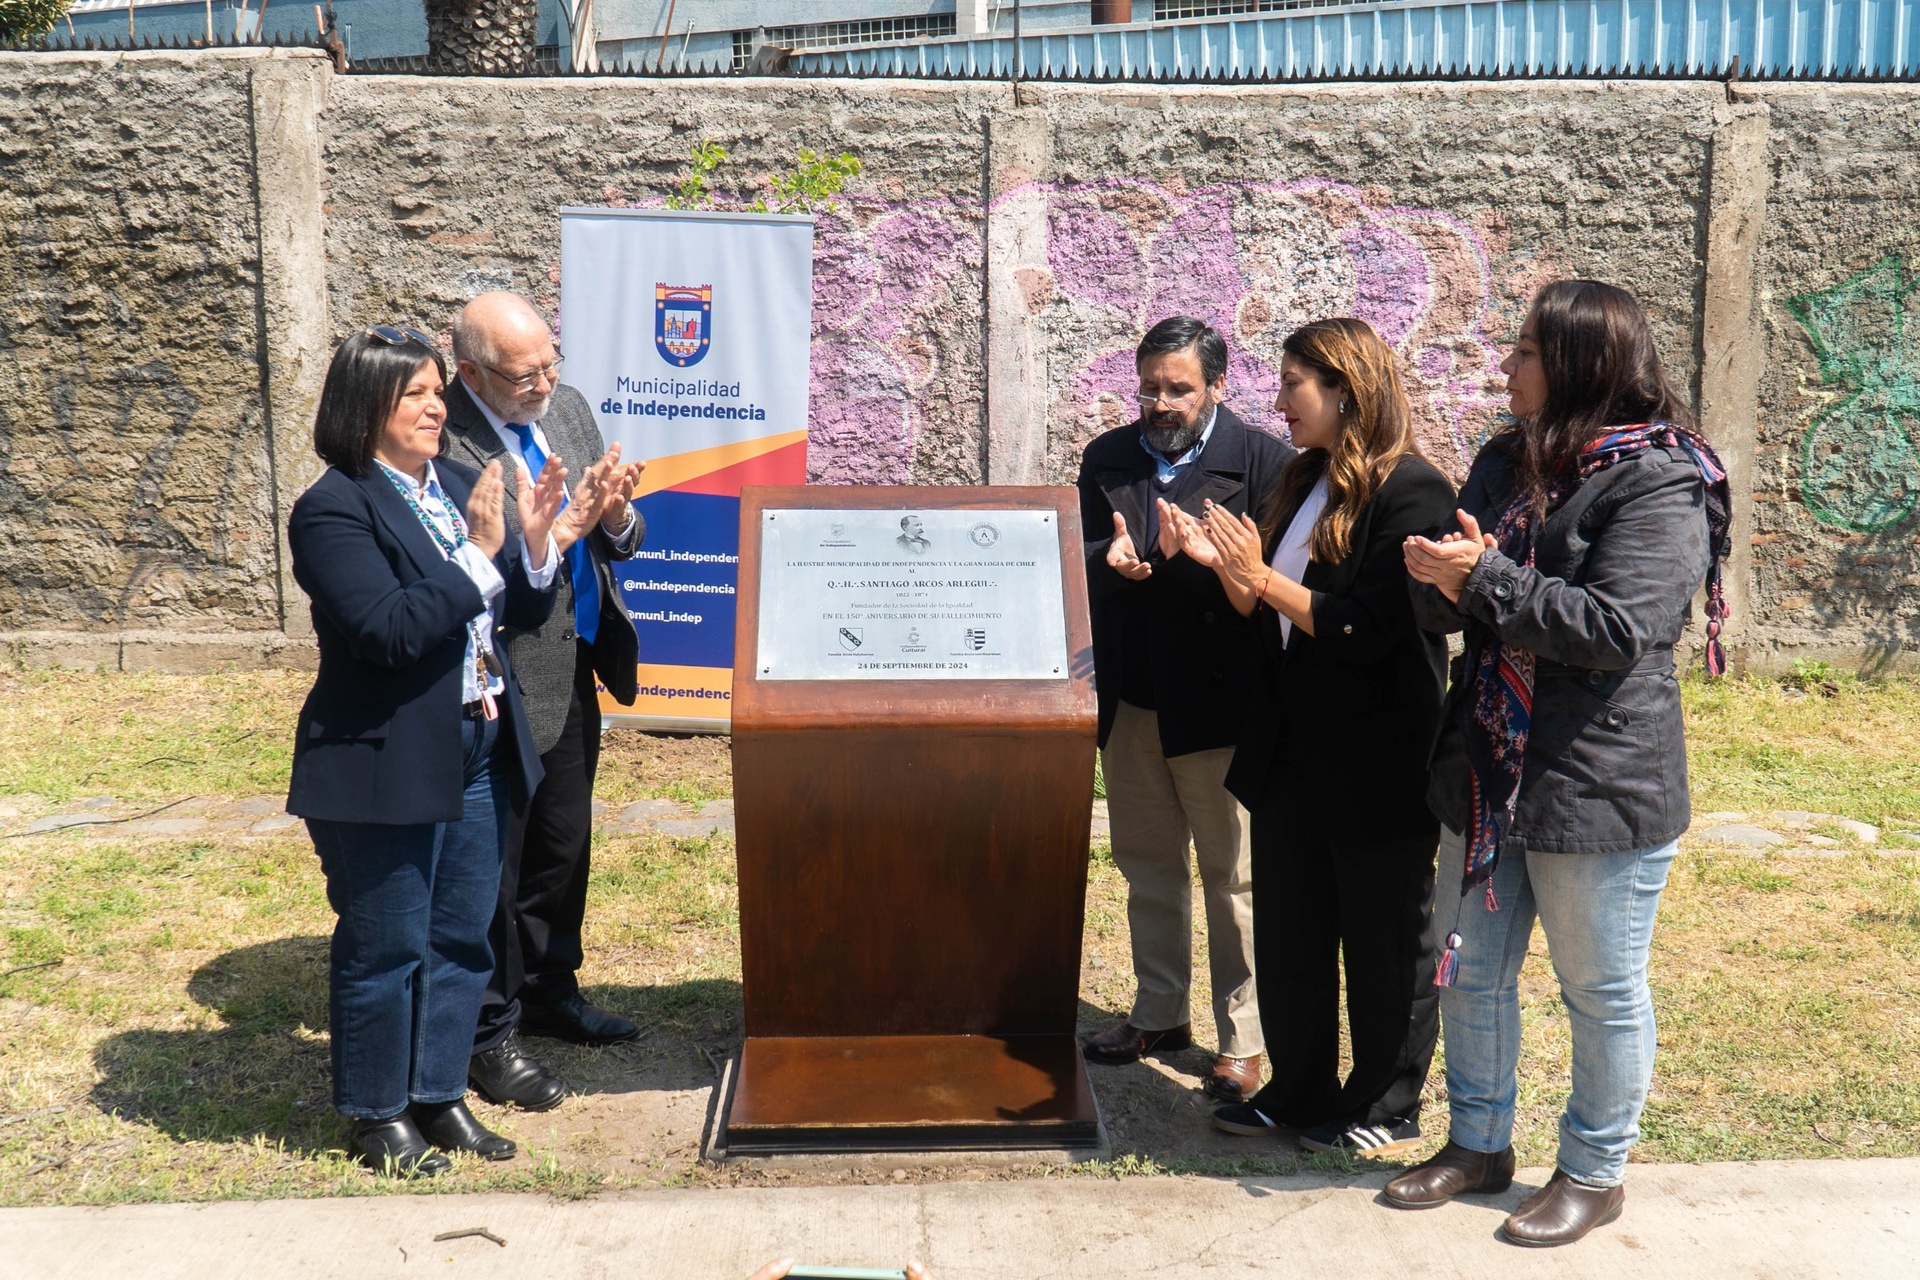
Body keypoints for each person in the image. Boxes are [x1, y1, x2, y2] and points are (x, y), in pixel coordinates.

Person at [1391, 280, 1732, 1247]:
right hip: (1489, 765)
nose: (1507, 368)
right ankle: (1478, 1144)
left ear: (1582, 364)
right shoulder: (1507, 458)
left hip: (1595, 781)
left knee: (1601, 988)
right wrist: (1436, 582)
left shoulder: (1661, 480)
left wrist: (1484, 578)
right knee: (1473, 973)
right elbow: (1460, 596)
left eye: (1527, 353)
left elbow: (1623, 628)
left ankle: (1593, 1169)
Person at [286, 325, 607, 1174]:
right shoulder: (334, 507)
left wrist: (545, 548)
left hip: (480, 741)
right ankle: (378, 1114)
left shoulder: (462, 484)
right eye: (416, 395)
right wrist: (482, 554)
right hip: (383, 756)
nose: (437, 407)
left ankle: (439, 1095)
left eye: (437, 390)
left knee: (464, 935)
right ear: (364, 409)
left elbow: (518, 616)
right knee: (386, 943)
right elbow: (388, 632)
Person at [1166, 318, 1455, 1156]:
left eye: (1293, 383)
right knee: (1291, 934)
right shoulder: (1300, 480)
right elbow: (1266, 617)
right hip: (1290, 751)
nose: (1279, 400)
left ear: (1344, 389)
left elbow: (1373, 626)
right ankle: (1297, 1089)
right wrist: (1224, 569)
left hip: (1374, 759)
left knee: (1381, 941)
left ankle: (1385, 1104)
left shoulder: (1413, 492)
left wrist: (1259, 579)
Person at [1075, 316, 1294, 1103]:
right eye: (1149, 388)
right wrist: (1111, 557)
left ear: (1218, 389)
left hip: (1219, 703)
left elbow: (1266, 588)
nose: (1160, 404)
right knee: (1148, 865)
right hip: (1133, 697)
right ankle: (1159, 1010)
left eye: (1178, 389)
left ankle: (1243, 1040)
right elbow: (1076, 555)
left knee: (1233, 877)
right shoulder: (1106, 457)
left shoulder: (1267, 464)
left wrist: (1193, 565)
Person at [440, 293, 647, 1112]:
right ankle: (491, 1026)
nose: (544, 385)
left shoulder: (569, 409)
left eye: (551, 365)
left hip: (575, 662)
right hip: (499, 672)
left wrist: (619, 512)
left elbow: (615, 538)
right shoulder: (440, 435)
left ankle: (554, 987)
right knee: (501, 854)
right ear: (471, 372)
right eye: (523, 374)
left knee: (563, 839)